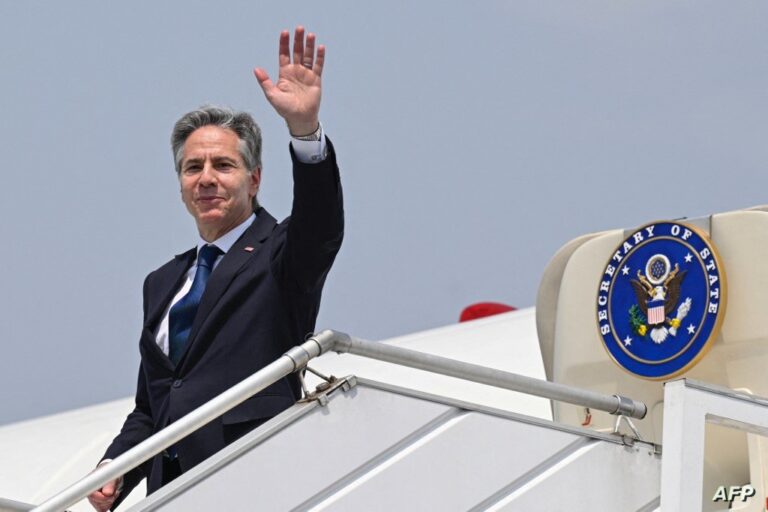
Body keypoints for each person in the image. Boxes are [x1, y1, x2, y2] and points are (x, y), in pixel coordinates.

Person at [88, 26, 343, 512]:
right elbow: (155, 403)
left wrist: (305, 131)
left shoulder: (281, 253)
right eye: (193, 168)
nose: (206, 179)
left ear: (254, 179)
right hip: (172, 492)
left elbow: (321, 222)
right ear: (180, 185)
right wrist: (115, 466)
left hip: (252, 479)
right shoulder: (163, 282)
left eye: (223, 165)